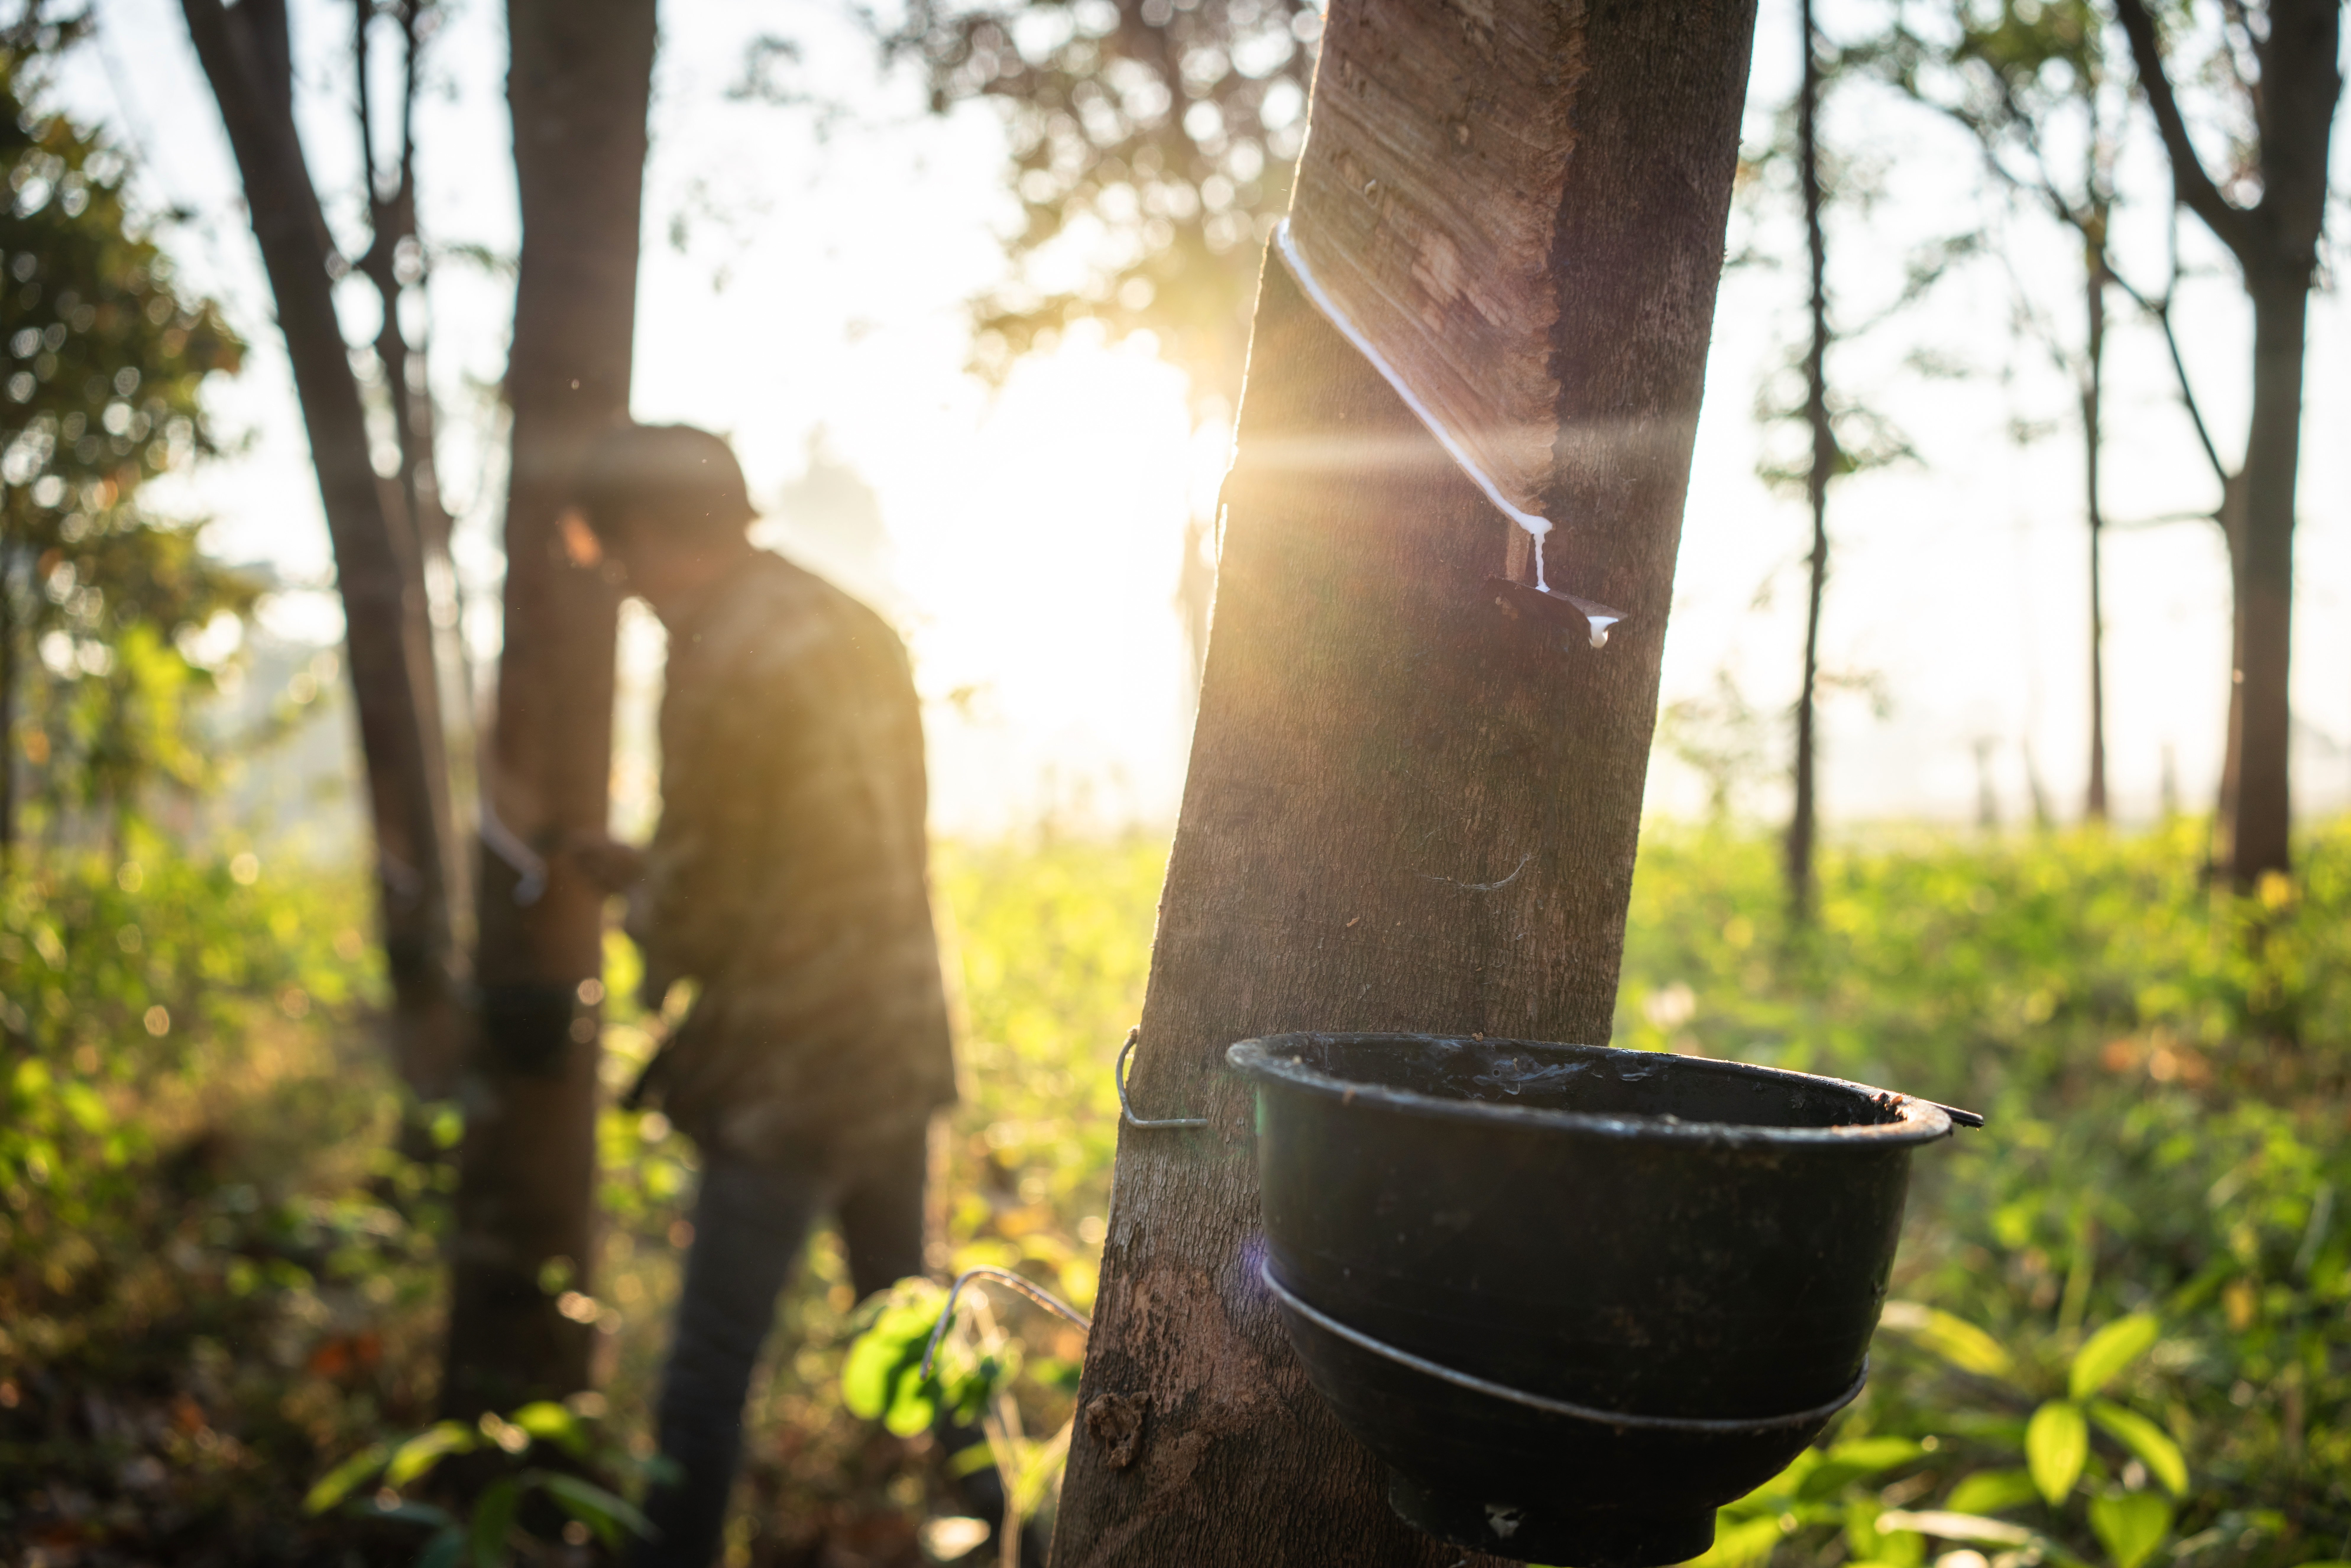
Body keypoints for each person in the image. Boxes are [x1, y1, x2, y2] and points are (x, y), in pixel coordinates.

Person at [563, 424, 961, 1567]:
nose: (625, 588)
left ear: (648, 534)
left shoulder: (720, 650)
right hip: (894, 1028)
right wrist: (657, 870)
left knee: (708, 1366)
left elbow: (709, 901)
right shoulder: (851, 625)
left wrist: (645, 900)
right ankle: (1013, 1532)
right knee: (915, 1322)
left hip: (792, 1061)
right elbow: (818, 841)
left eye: (619, 556)